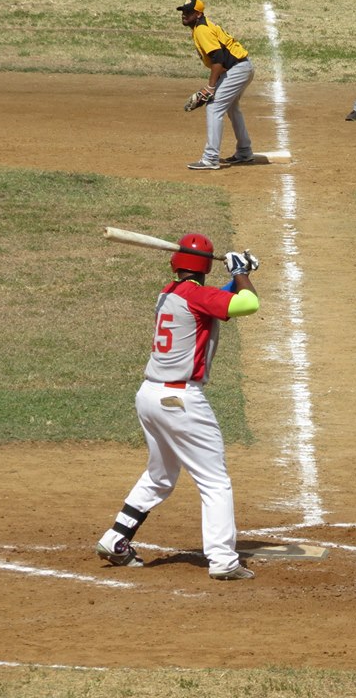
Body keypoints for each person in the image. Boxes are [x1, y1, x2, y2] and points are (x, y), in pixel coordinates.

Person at [96, 235, 260, 581]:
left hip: (150, 396)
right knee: (214, 481)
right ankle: (223, 560)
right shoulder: (196, 296)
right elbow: (248, 304)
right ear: (203, 268)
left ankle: (116, 538)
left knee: (160, 476)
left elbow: (216, 299)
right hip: (180, 400)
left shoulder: (170, 293)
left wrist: (240, 276)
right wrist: (241, 275)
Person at [177, 0, 256, 170]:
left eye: (188, 12)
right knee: (232, 107)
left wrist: (211, 86)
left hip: (237, 69)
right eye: (183, 11)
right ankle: (244, 151)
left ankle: (211, 157)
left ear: (198, 14)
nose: (184, 15)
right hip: (241, 67)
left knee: (213, 107)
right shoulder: (201, 27)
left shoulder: (202, 30)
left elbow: (218, 59)